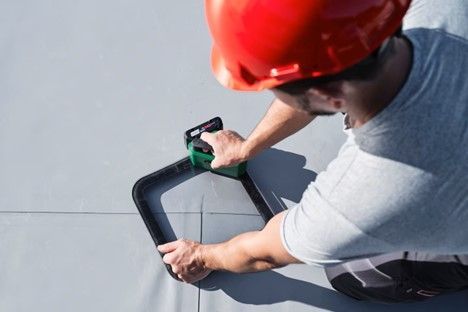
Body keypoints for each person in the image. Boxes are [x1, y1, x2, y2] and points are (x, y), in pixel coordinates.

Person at [158, 0, 468, 303]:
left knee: (351, 273)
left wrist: (200, 256)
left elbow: (263, 252)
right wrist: (248, 147)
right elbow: (321, 72)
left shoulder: (364, 198)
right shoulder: (442, 9)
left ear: (326, 95)